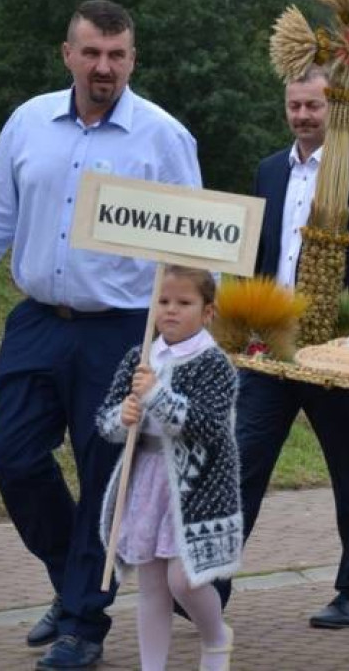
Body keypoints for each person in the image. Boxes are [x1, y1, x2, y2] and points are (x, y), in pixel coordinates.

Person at [0, 0, 201, 670]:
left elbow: (191, 253)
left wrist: (174, 344)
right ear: (68, 54)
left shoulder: (163, 138)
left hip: (120, 333)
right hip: (37, 321)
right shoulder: (30, 123)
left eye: (116, 55)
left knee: (104, 476)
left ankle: (84, 623)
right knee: (12, 452)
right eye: (91, 53)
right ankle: (72, 578)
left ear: (133, 59)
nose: (104, 66)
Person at [217, 65, 349, 628]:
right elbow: (258, 254)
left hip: (334, 355)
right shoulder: (270, 170)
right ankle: (209, 584)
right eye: (294, 106)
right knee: (241, 465)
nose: (302, 116)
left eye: (313, 106)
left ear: (334, 108)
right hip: (272, 350)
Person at [96, 265, 240, 671]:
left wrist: (157, 395)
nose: (171, 311)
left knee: (184, 578)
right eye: (163, 301)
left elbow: (209, 425)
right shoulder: (140, 356)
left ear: (208, 312)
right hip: (148, 477)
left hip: (197, 486)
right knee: (152, 583)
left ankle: (215, 636)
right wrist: (121, 419)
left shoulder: (214, 364)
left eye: (183, 303)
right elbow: (105, 422)